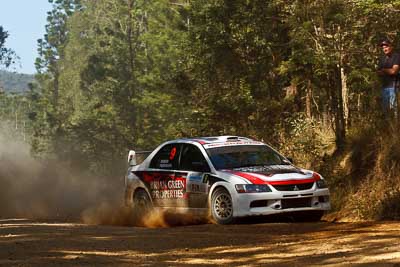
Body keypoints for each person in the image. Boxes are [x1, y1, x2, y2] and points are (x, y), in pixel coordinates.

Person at [377, 39, 400, 115]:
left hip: (394, 86)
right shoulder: (382, 59)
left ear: (391, 46)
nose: (384, 49)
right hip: (384, 87)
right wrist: (387, 71)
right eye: (383, 48)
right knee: (385, 111)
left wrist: (384, 70)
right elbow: (378, 73)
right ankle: (387, 126)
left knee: (394, 109)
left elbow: (394, 71)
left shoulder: (396, 56)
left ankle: (396, 125)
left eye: (386, 46)